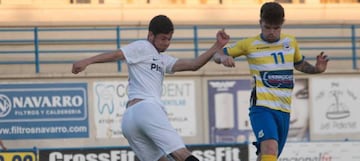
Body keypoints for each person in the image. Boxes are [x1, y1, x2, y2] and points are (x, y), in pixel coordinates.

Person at [72, 15, 229, 161]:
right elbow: (116, 55)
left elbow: (194, 65)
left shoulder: (162, 59)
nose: (166, 43)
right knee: (181, 153)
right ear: (150, 35)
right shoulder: (143, 46)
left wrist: (217, 46)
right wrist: (87, 61)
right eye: (162, 38)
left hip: (129, 120)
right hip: (147, 109)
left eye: (169, 39)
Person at [213, 2, 328, 161]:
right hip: (262, 108)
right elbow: (216, 55)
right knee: (270, 147)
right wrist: (223, 57)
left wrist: (317, 69)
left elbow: (299, 64)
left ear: (282, 24)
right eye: (267, 28)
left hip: (284, 110)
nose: (272, 33)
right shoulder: (249, 44)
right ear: (260, 23)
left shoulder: (291, 42)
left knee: (269, 155)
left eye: (276, 28)